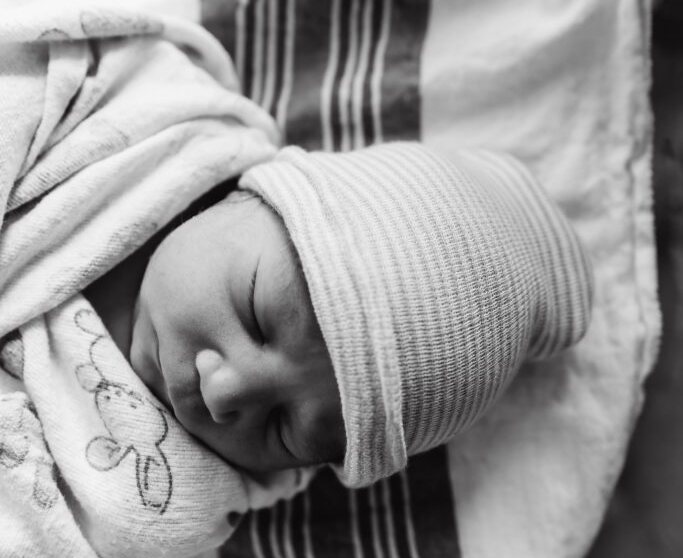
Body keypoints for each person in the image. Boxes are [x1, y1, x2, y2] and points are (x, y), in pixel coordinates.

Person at [88, 139, 593, 488]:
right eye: (254, 316)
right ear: (249, 193)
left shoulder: (161, 497)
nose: (222, 394)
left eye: (283, 430)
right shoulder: (149, 125)